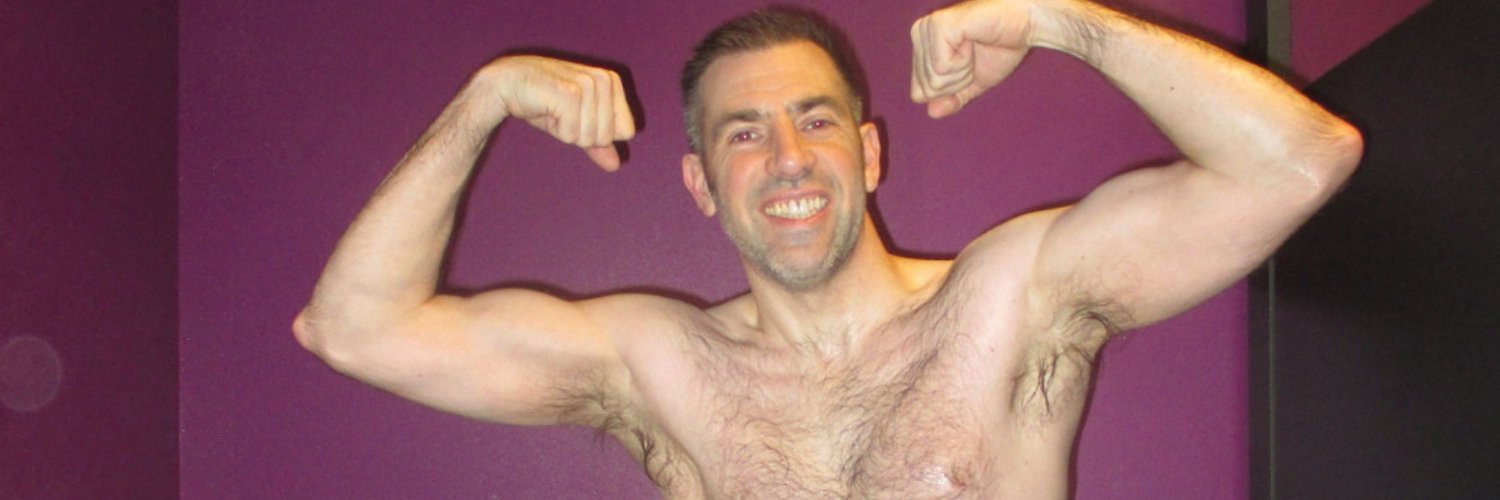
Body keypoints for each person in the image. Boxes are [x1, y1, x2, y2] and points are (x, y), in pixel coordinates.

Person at [294, 0, 1361, 497]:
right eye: (744, 134)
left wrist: (1060, 20)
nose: (789, 158)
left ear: (868, 150)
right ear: (701, 184)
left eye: (815, 120)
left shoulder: (1012, 298)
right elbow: (351, 328)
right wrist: (483, 100)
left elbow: (1300, 161)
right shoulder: (658, 364)